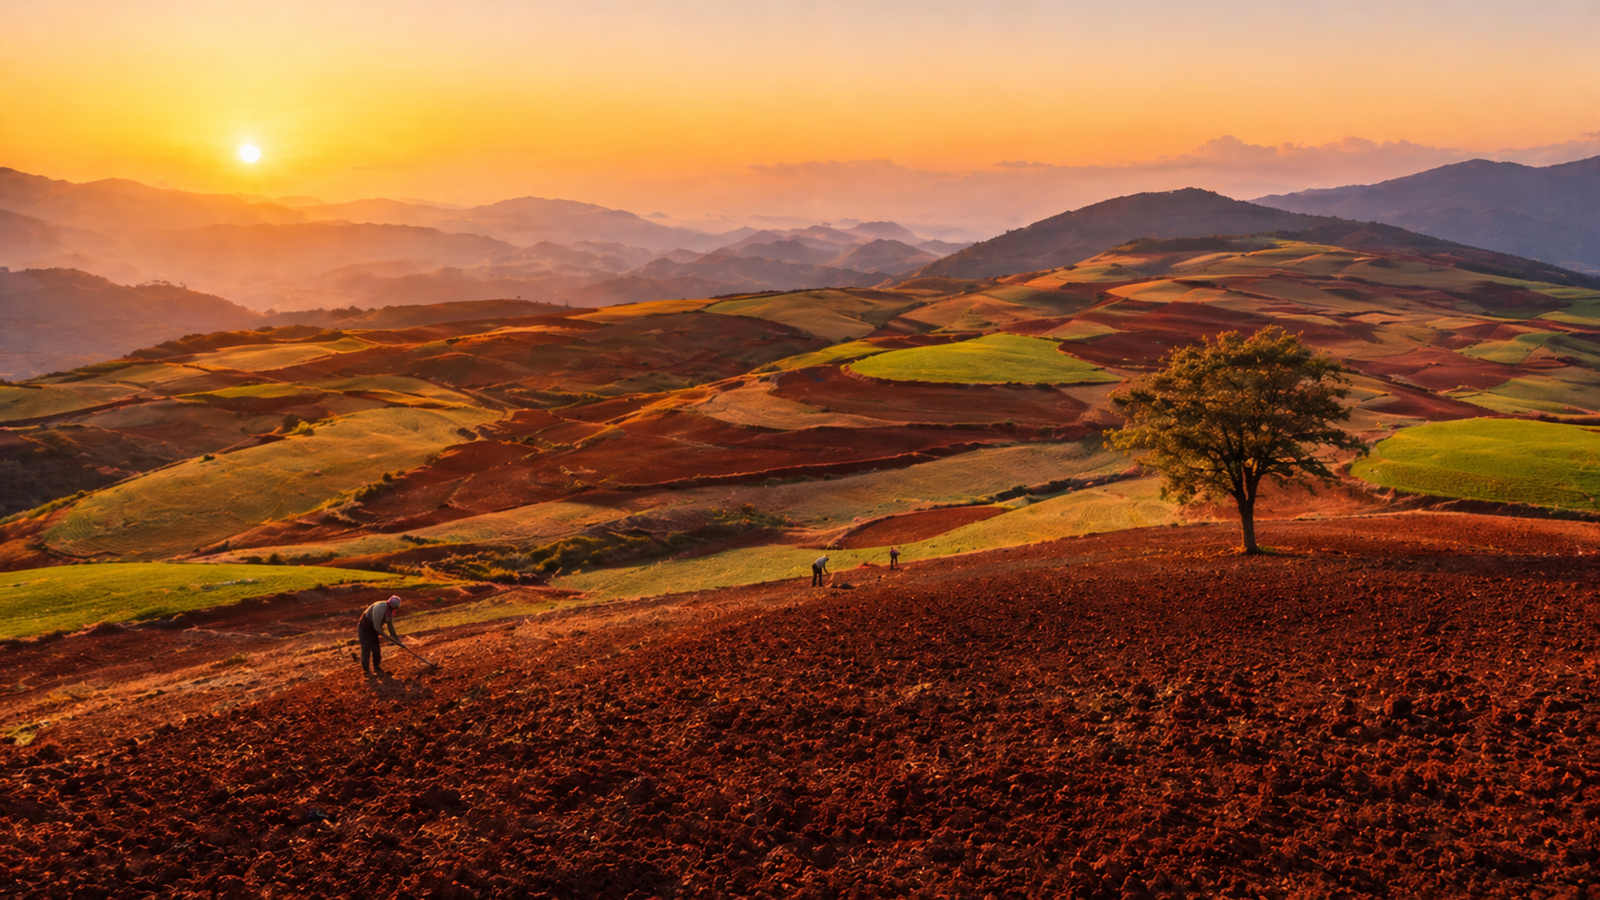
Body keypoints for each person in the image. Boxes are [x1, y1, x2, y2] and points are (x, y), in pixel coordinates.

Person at [357, 595, 402, 676]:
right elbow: (377, 628)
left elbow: (391, 627)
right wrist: (388, 638)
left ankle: (377, 668)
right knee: (366, 650)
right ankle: (366, 671)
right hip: (365, 629)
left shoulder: (390, 612)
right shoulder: (380, 609)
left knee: (376, 650)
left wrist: (397, 639)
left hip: (373, 631)